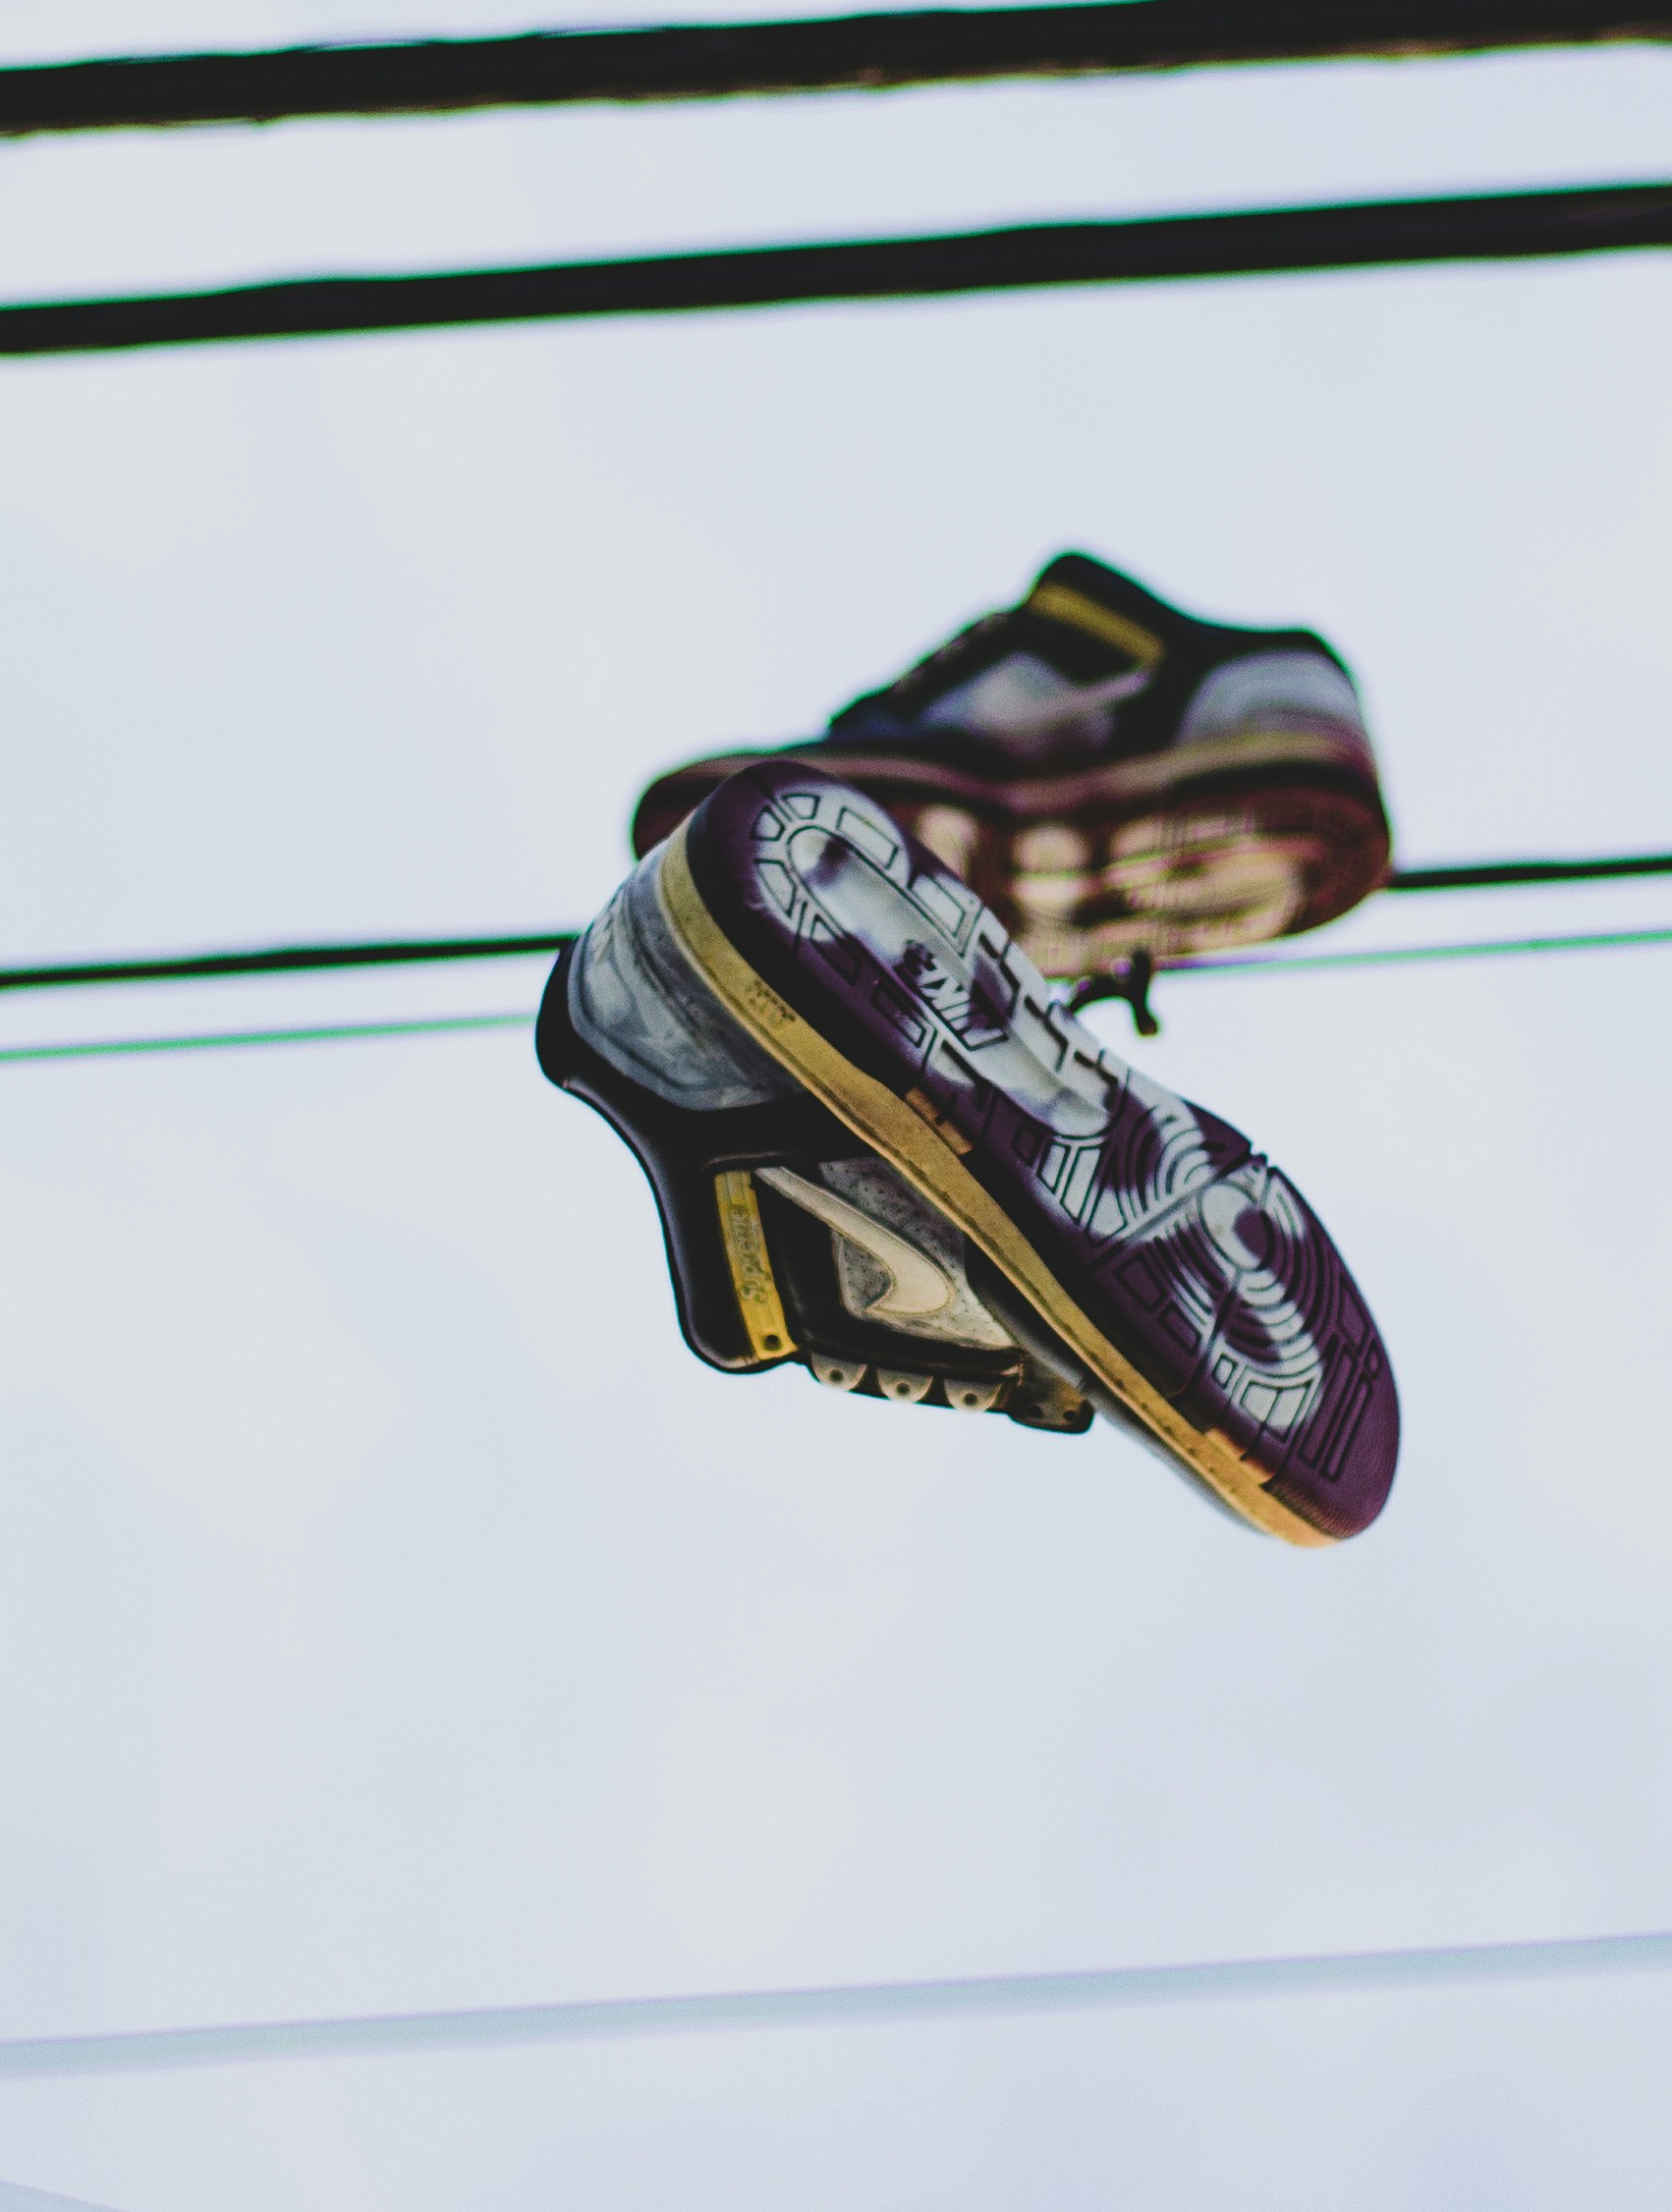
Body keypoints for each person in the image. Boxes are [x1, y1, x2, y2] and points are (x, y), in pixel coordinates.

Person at [538, 556, 1404, 1546]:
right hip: (733, 949)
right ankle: (757, 1053)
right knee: (734, 1314)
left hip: (727, 938)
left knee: (734, 1315)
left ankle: (1086, 675)